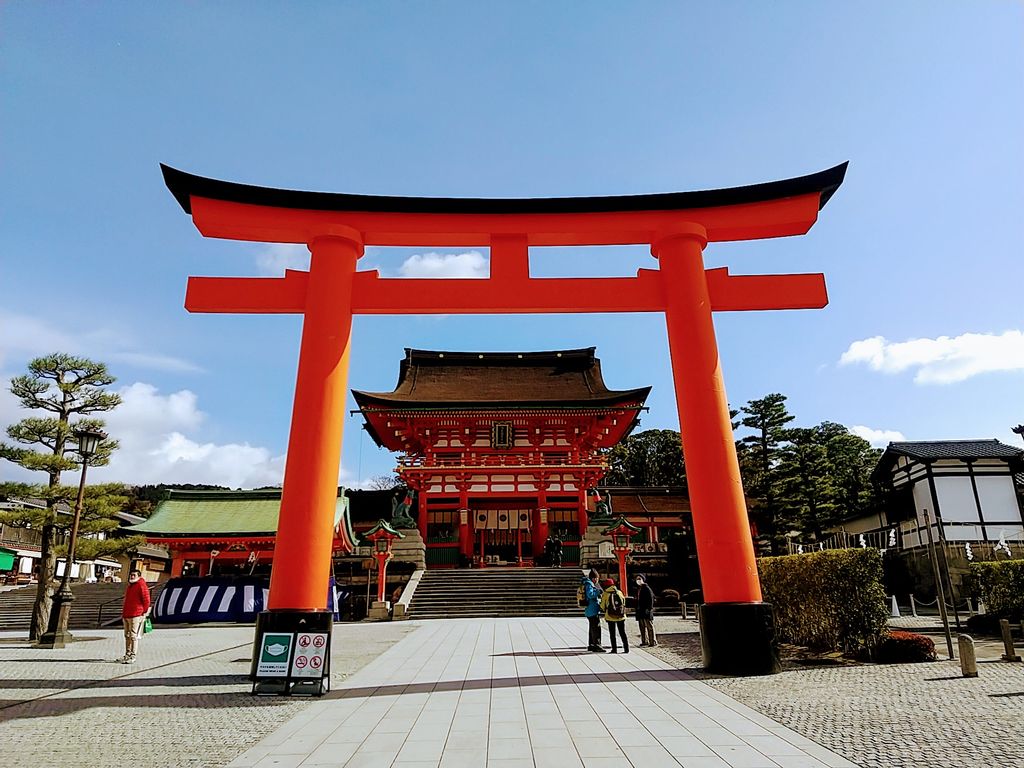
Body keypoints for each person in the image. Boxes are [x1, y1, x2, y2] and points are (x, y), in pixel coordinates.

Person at [118, 568, 151, 664]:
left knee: (133, 635)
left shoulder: (141, 585)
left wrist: (143, 612)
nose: (132, 577)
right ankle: (127, 654)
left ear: (139, 576)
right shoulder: (130, 586)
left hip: (136, 614)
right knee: (127, 635)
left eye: (134, 575)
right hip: (127, 613)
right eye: (131, 575)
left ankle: (133, 655)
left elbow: (146, 600)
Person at [600, 577, 628, 653]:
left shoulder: (605, 594)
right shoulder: (619, 592)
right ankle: (626, 648)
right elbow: (623, 602)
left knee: (612, 633)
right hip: (621, 616)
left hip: (610, 616)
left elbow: (603, 606)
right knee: (622, 632)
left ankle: (614, 649)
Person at [581, 569, 605, 652]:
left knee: (592, 628)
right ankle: (597, 645)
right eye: (597, 578)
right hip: (592, 609)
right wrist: (598, 592)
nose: (597, 580)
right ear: (594, 578)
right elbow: (590, 595)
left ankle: (591, 644)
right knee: (596, 628)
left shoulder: (587, 583)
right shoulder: (589, 584)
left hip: (590, 609)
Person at [634, 573, 657, 647]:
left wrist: (649, 609)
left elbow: (651, 600)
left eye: (639, 579)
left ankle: (652, 641)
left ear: (643, 580)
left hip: (646, 610)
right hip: (640, 610)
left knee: (649, 626)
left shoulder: (647, 588)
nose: (638, 580)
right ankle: (644, 641)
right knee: (642, 627)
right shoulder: (638, 589)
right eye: (637, 579)